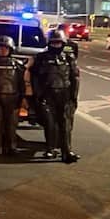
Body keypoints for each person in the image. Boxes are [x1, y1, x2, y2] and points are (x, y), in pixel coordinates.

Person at [30, 28, 81, 162]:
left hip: (64, 95)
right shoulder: (41, 58)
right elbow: (34, 77)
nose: (56, 45)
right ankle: (50, 149)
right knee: (49, 123)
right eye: (53, 43)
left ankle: (67, 151)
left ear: (63, 43)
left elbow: (75, 78)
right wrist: (38, 95)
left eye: (58, 43)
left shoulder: (69, 58)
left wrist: (73, 97)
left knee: (65, 124)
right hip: (47, 95)